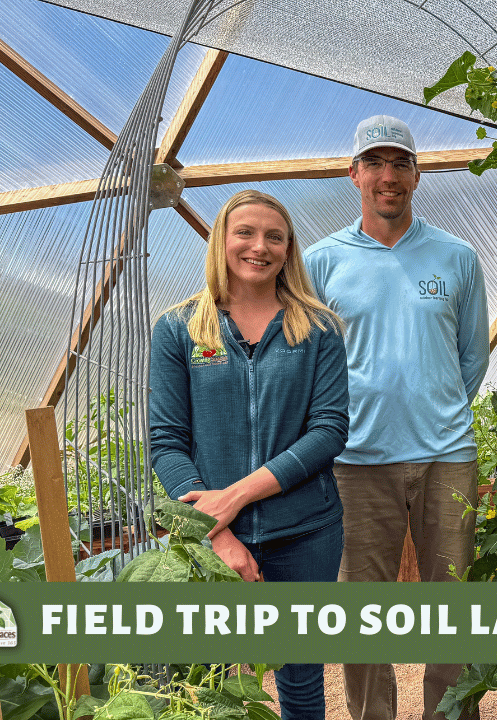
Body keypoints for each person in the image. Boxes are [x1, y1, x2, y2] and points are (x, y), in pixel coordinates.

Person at [303, 115, 489, 720]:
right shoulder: (321, 263)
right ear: (354, 173)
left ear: (417, 173)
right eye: (375, 163)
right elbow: (308, 362)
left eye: (400, 163)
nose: (388, 176)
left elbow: (472, 356)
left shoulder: (456, 258)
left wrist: (433, 411)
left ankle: (450, 714)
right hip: (356, 462)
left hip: (446, 457)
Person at [149, 189, 349, 720]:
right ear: (221, 240)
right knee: (216, 678)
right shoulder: (179, 329)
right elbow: (167, 442)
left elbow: (328, 431)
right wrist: (216, 532)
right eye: (245, 232)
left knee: (301, 676)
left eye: (274, 236)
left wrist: (234, 497)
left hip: (307, 532)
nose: (259, 246)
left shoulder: (319, 329)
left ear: (288, 249)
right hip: (216, 541)